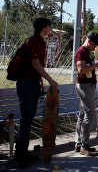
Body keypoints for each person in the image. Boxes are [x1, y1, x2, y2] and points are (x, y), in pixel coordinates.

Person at [14, 18, 58, 168]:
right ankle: (21, 155)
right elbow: (35, 63)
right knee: (26, 119)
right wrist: (50, 80)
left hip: (32, 83)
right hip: (26, 83)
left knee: (28, 118)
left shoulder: (39, 42)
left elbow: (35, 67)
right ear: (44, 27)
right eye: (49, 26)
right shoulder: (34, 41)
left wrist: (40, 82)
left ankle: (21, 152)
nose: (50, 28)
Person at [75, 32, 98, 156]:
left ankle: (78, 143)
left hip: (88, 85)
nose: (95, 47)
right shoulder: (81, 52)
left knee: (82, 115)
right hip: (85, 86)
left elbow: (87, 67)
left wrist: (95, 65)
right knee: (89, 114)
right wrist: (95, 66)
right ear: (89, 41)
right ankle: (84, 145)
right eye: (95, 45)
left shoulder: (87, 53)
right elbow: (81, 70)